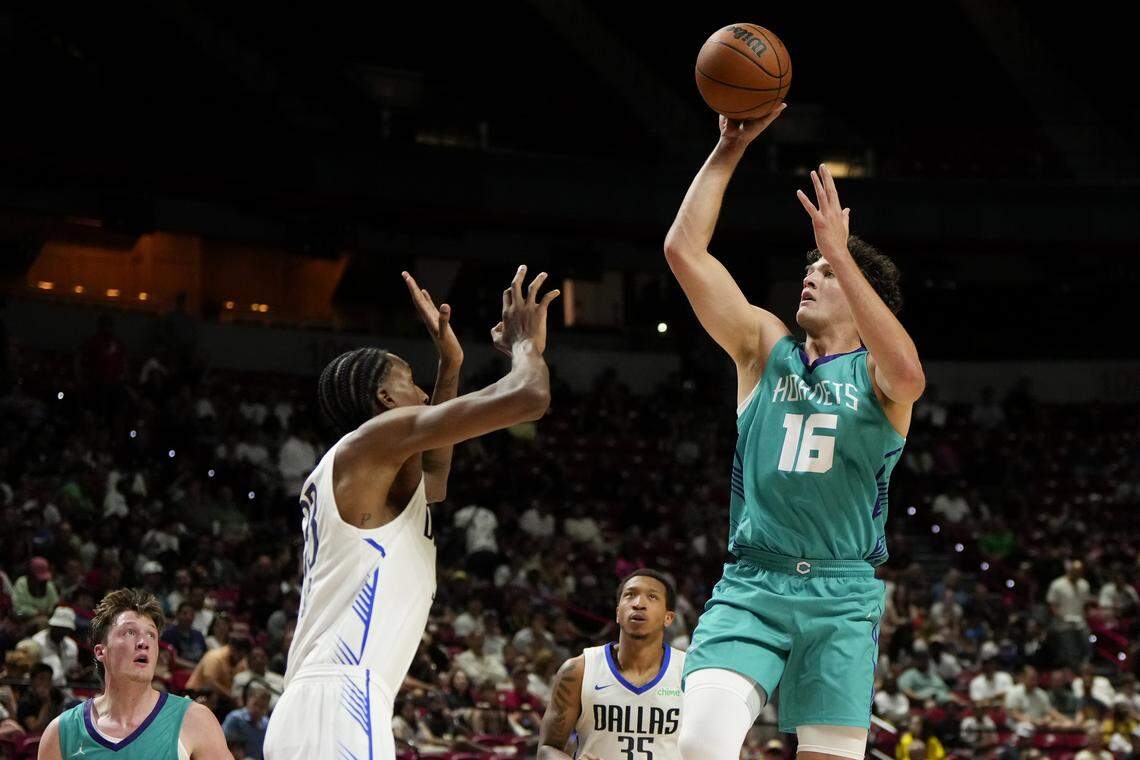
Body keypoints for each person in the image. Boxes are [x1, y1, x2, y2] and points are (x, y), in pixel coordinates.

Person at [663, 106, 925, 760]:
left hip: (842, 594)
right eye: (811, 267)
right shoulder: (764, 348)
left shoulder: (881, 378)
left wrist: (843, 250)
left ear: (867, 300)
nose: (811, 274)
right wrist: (728, 147)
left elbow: (910, 374)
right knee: (698, 745)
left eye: (828, 272)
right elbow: (683, 252)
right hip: (755, 581)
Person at [263, 267, 559, 759]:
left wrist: (451, 364)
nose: (424, 395)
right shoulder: (372, 440)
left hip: (327, 701)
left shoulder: (367, 470)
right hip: (339, 700)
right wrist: (525, 345)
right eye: (412, 383)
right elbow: (529, 397)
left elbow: (435, 478)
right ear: (384, 399)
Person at [36, 587, 230, 758]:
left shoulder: (194, 720)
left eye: (151, 635)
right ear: (101, 651)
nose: (143, 642)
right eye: (130, 632)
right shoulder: (62, 731)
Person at [538, 569, 685, 760]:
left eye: (652, 597)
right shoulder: (579, 671)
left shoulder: (690, 673)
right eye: (630, 595)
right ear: (618, 613)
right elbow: (546, 749)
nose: (639, 604)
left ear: (668, 618)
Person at [32, 607, 80, 686]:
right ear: (51, 625)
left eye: (64, 629)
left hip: (65, 688)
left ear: (69, 630)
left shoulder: (72, 645)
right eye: (58, 627)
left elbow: (69, 672)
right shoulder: (37, 642)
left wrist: (75, 674)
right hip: (42, 688)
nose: (60, 631)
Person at [221, 685, 270, 760]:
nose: (257, 710)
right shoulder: (235, 718)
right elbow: (223, 743)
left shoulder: (267, 724)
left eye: (262, 707)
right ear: (248, 700)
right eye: (255, 704)